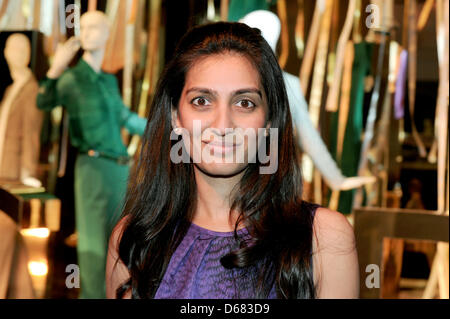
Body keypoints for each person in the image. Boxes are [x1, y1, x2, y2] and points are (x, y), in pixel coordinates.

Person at [106, 22, 359, 299]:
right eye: (201, 101)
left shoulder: (322, 237)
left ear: (269, 120)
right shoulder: (134, 240)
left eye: (244, 103)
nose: (223, 125)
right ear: (175, 117)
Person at [37, 11, 147, 298]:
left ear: (108, 33)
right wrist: (55, 69)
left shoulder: (109, 81)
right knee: (93, 250)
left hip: (120, 171)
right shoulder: (72, 79)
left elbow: (126, 117)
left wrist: (167, 126)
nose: (87, 32)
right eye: (83, 27)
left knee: (119, 247)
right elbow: (43, 101)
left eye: (95, 26)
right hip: (93, 168)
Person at [0, 33, 43, 188]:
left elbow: (31, 133)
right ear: (6, 52)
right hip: (3, 166)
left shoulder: (32, 90)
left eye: (24, 49)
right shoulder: (10, 89)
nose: (20, 53)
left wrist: (28, 173)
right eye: (15, 48)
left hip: (14, 172)